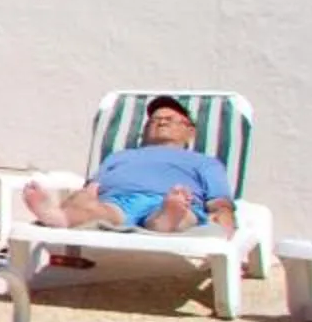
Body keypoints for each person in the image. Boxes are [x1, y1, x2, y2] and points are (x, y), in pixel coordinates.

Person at [22, 95, 235, 235]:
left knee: (183, 215)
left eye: (169, 119)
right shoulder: (120, 156)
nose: (160, 122)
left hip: (177, 200)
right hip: (119, 203)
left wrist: (225, 225)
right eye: (154, 120)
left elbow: (220, 203)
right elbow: (92, 189)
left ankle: (167, 217)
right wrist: (81, 199)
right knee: (94, 208)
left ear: (190, 132)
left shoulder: (205, 162)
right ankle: (58, 216)